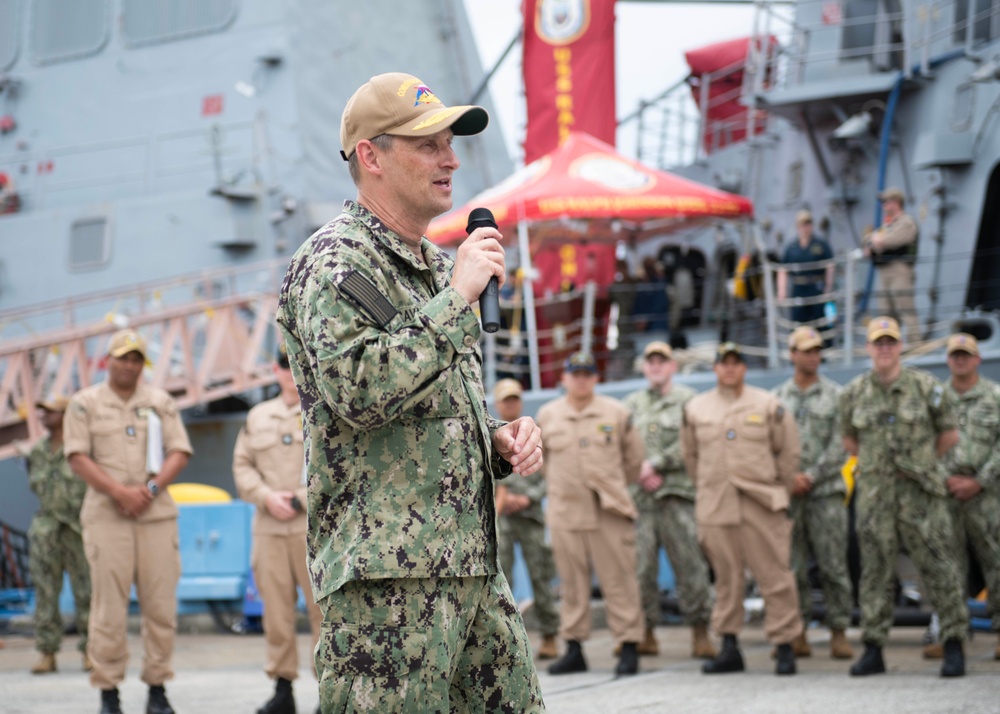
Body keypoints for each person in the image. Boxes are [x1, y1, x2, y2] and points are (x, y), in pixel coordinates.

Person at [276, 72, 545, 712]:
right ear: (371, 156)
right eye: (428, 144)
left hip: (471, 570)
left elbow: (427, 407)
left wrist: (495, 443)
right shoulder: (335, 262)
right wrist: (458, 301)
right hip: (387, 587)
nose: (451, 158)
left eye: (450, 143)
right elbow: (361, 390)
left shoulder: (430, 266)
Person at [64, 329, 193, 714]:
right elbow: (77, 456)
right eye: (122, 357)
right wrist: (120, 493)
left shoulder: (160, 402)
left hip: (155, 516)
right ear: (107, 361)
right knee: (108, 608)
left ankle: (157, 689)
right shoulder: (84, 404)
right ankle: (109, 693)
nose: (130, 365)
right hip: (107, 517)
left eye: (136, 358)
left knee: (160, 607)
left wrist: (149, 490)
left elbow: (179, 451)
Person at [838, 316, 968, 677]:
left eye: (890, 342)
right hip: (876, 497)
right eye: (878, 342)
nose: (884, 348)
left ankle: (954, 644)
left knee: (939, 567)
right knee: (875, 573)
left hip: (920, 495)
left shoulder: (926, 388)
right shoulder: (853, 393)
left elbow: (949, 436)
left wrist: (921, 465)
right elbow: (850, 441)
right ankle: (874, 648)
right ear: (868, 347)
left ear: (899, 347)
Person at [680, 342, 803, 676]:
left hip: (760, 504)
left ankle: (785, 644)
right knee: (725, 580)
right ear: (716, 368)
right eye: (724, 362)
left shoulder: (767, 404)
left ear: (744, 368)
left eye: (736, 362)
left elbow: (788, 453)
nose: (730, 368)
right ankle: (730, 646)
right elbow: (690, 457)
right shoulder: (696, 408)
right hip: (716, 505)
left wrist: (778, 489)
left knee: (775, 576)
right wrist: (709, 486)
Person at [536, 351, 646, 677]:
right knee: (571, 584)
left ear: (596, 378)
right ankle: (574, 649)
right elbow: (544, 464)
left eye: (587, 373)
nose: (581, 379)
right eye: (575, 373)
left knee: (619, 582)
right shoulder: (548, 414)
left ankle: (628, 647)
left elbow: (634, 461)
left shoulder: (616, 412)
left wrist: (610, 487)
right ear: (565, 379)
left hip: (608, 510)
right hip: (566, 511)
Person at [233, 346, 323, 714]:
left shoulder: (321, 409)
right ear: (275, 368)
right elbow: (241, 466)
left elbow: (336, 465)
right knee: (276, 612)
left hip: (312, 528)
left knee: (323, 613)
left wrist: (302, 498)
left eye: (298, 362)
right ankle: (282, 689)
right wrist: (266, 496)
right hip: (269, 527)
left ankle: (327, 691)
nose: (291, 370)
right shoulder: (257, 416)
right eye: (286, 364)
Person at [622, 341, 716, 660]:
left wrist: (657, 463)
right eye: (651, 362)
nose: (656, 366)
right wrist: (640, 471)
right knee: (642, 569)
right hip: (642, 499)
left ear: (672, 366)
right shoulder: (631, 404)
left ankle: (700, 631)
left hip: (677, 495)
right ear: (645, 367)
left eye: (662, 361)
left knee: (690, 565)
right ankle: (645, 632)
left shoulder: (689, 401)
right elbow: (623, 446)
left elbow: (692, 443)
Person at [771, 327, 854, 660]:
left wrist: (812, 476)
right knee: (791, 568)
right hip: (789, 496)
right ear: (792, 354)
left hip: (825, 494)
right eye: (805, 351)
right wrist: (788, 478)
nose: (812, 356)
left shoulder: (837, 396)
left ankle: (839, 631)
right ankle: (797, 632)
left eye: (817, 350)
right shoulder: (776, 400)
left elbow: (843, 444)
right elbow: (769, 445)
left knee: (833, 564)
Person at [937, 333, 1000, 661]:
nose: (960, 360)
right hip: (946, 496)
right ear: (948, 360)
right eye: (955, 355)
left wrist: (979, 481)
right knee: (947, 568)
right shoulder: (935, 399)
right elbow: (924, 444)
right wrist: (943, 479)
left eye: (967, 355)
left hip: (987, 496)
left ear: (977, 359)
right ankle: (950, 635)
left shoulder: (995, 396)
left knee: (997, 564)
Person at [21, 395, 91, 675]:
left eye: (51, 412)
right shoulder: (37, 450)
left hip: (77, 528)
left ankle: (91, 651)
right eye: (43, 412)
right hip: (47, 529)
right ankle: (47, 652)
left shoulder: (82, 448)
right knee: (45, 592)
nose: (44, 417)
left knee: (87, 592)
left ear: (66, 415)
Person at [492, 378, 560, 661]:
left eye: (515, 399)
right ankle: (503, 641)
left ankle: (550, 635)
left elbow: (548, 474)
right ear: (497, 403)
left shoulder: (532, 434)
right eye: (506, 400)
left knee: (540, 574)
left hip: (530, 516)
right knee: (500, 577)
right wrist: (502, 499)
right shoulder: (490, 434)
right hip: (502, 518)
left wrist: (528, 498)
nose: (511, 404)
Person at [864, 188, 920, 341]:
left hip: (899, 270)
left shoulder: (906, 222)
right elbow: (868, 239)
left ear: (896, 202)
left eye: (886, 201)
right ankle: (888, 344)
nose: (883, 205)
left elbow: (891, 241)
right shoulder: (887, 225)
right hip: (884, 271)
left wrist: (876, 241)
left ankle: (915, 345)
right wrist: (874, 240)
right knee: (885, 314)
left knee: (905, 309)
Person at [776, 210, 834, 328]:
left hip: (816, 287)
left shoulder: (821, 244)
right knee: (798, 323)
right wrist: (782, 290)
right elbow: (783, 269)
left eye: (808, 224)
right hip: (799, 288)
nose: (806, 228)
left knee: (820, 322)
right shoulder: (792, 247)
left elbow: (830, 265)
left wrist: (828, 287)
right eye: (803, 224)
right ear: (798, 226)